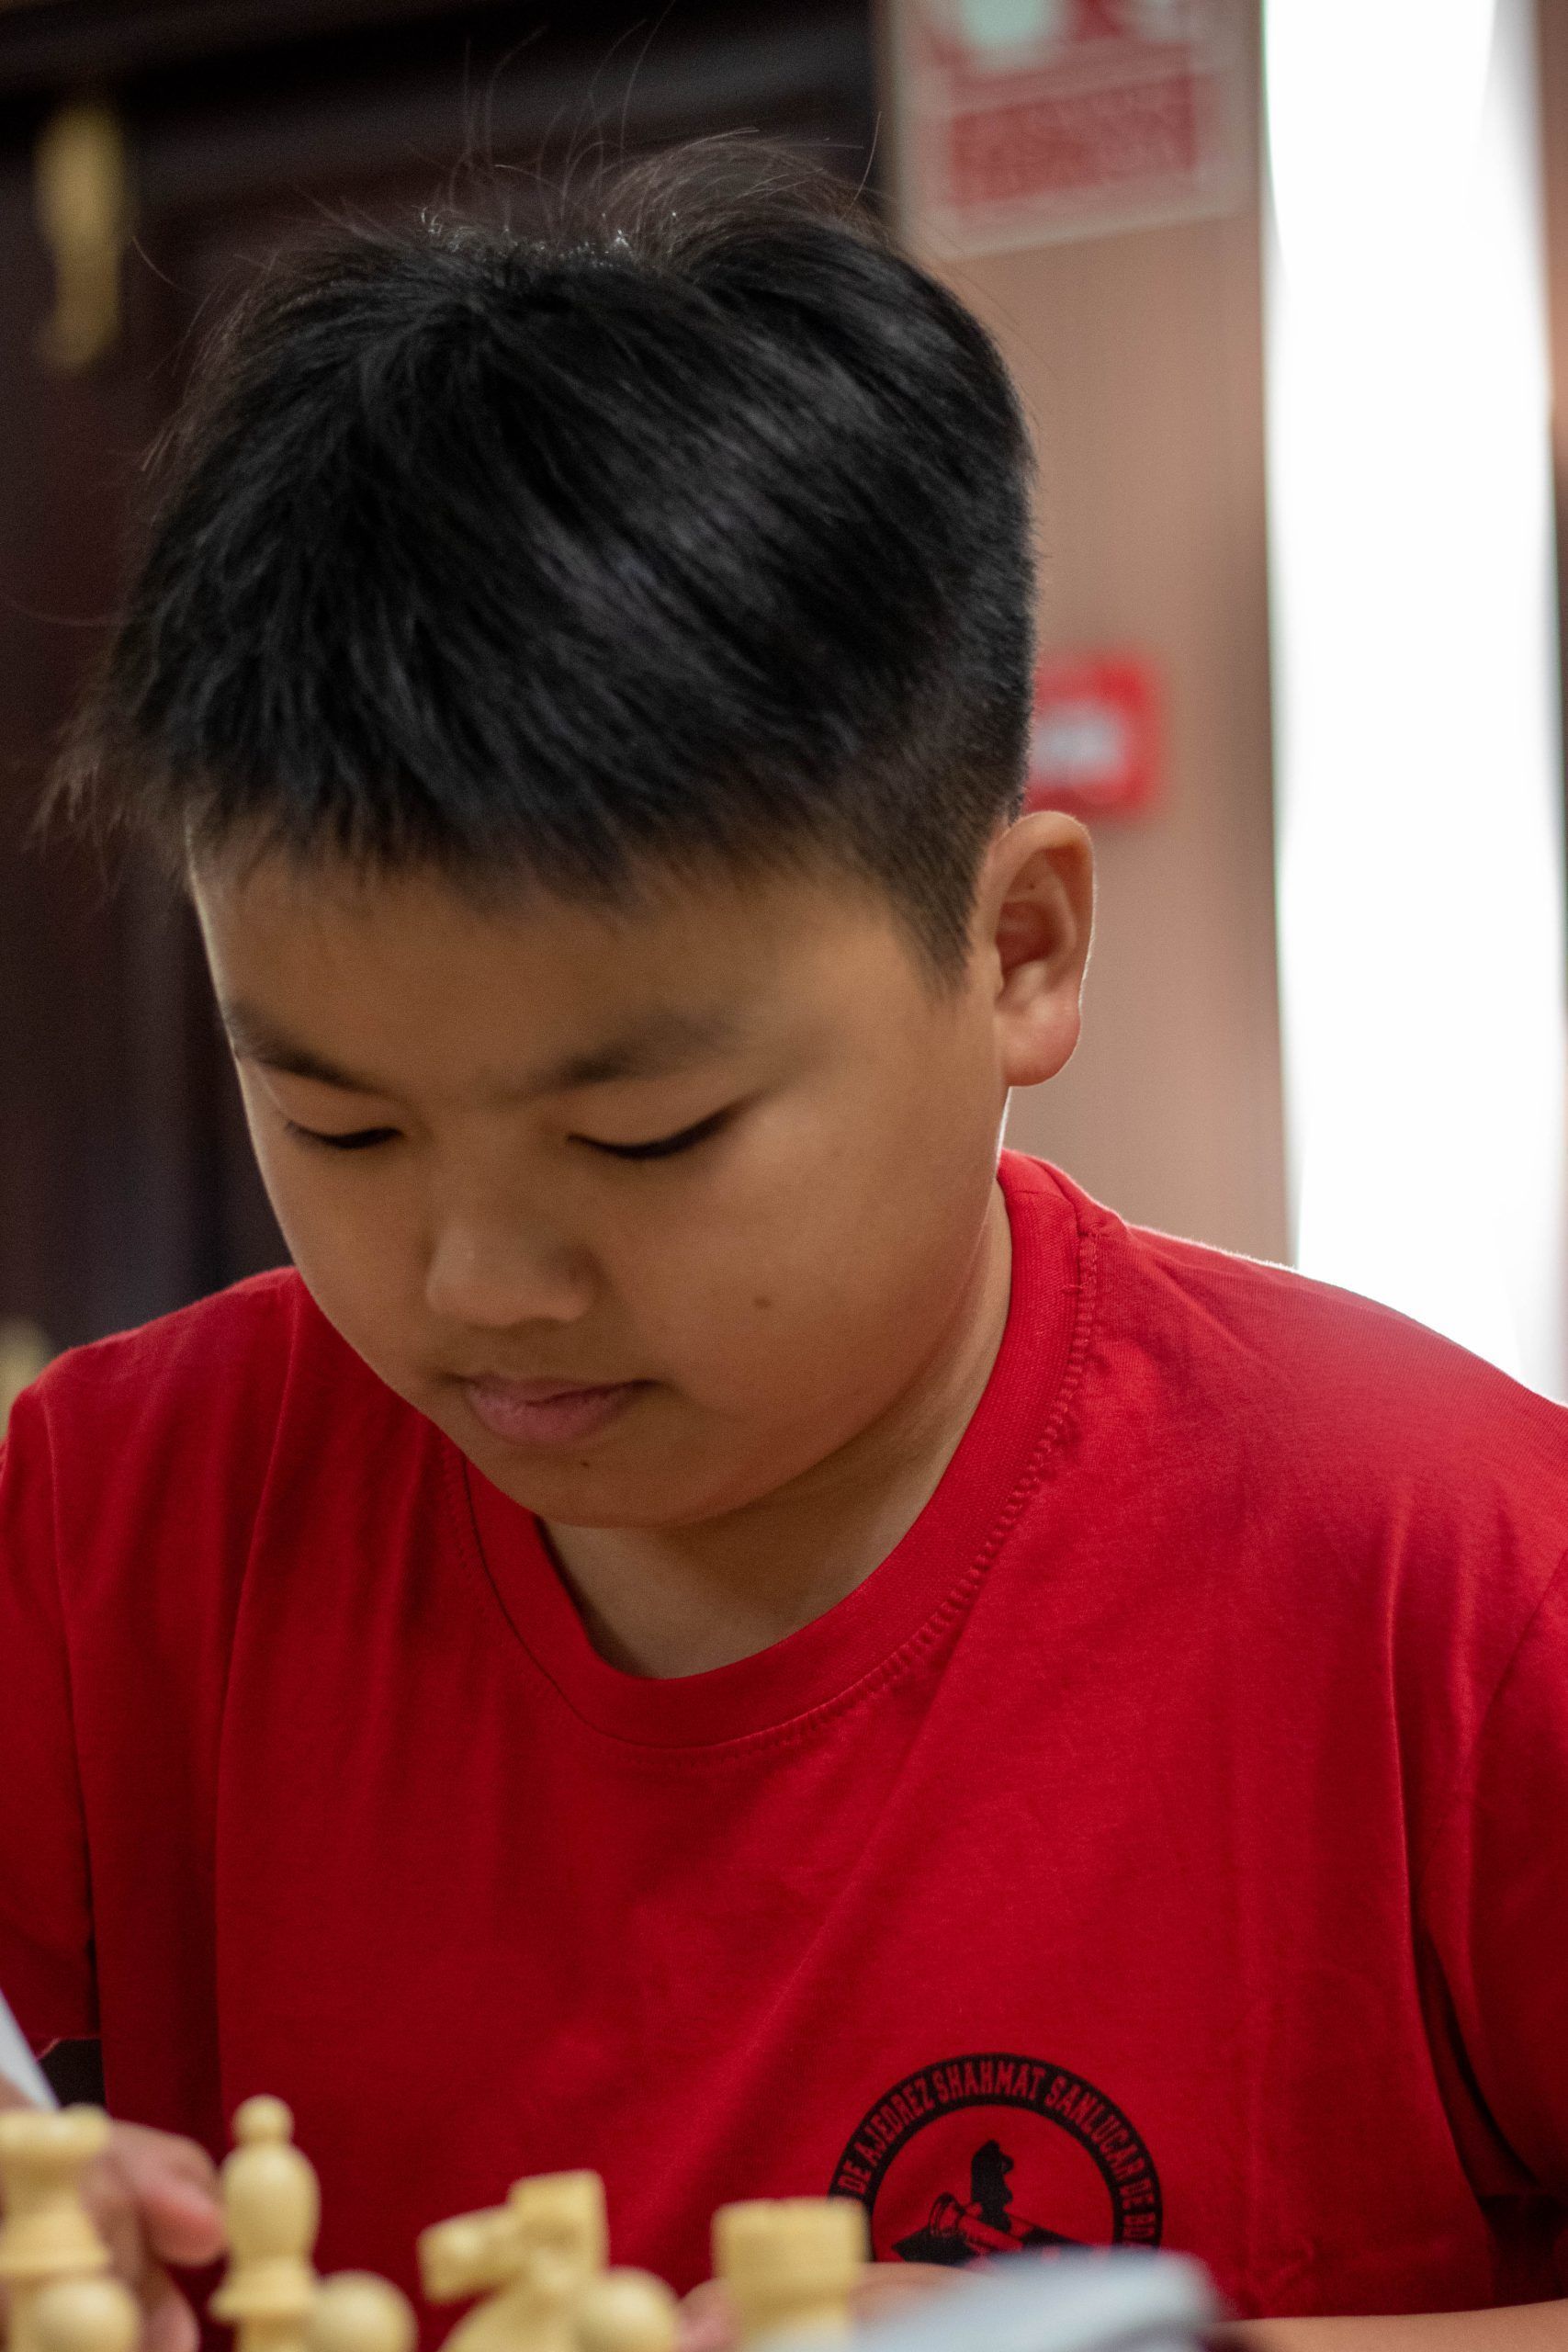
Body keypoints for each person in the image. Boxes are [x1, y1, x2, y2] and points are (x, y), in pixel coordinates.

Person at [1, 143, 1564, 2352]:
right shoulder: (116, 1527)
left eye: (642, 1133)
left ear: (1014, 949)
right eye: (340, 1120)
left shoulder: (1448, 1575)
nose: (478, 1280)